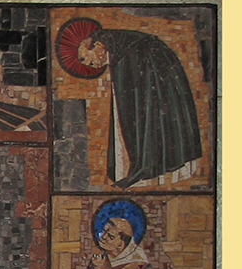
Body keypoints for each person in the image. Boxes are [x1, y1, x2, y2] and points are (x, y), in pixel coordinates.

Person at [73, 27, 202, 188]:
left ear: (99, 47)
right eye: (90, 65)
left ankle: (150, 167)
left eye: (91, 61)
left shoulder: (133, 54)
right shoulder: (122, 53)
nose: (94, 66)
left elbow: (138, 102)